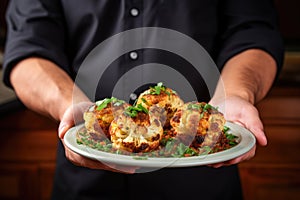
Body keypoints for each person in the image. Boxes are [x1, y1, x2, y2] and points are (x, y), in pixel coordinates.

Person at [3, 0, 283, 199]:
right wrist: (74, 109)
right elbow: (29, 47)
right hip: (86, 182)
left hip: (202, 179)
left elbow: (253, 31)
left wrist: (235, 95)